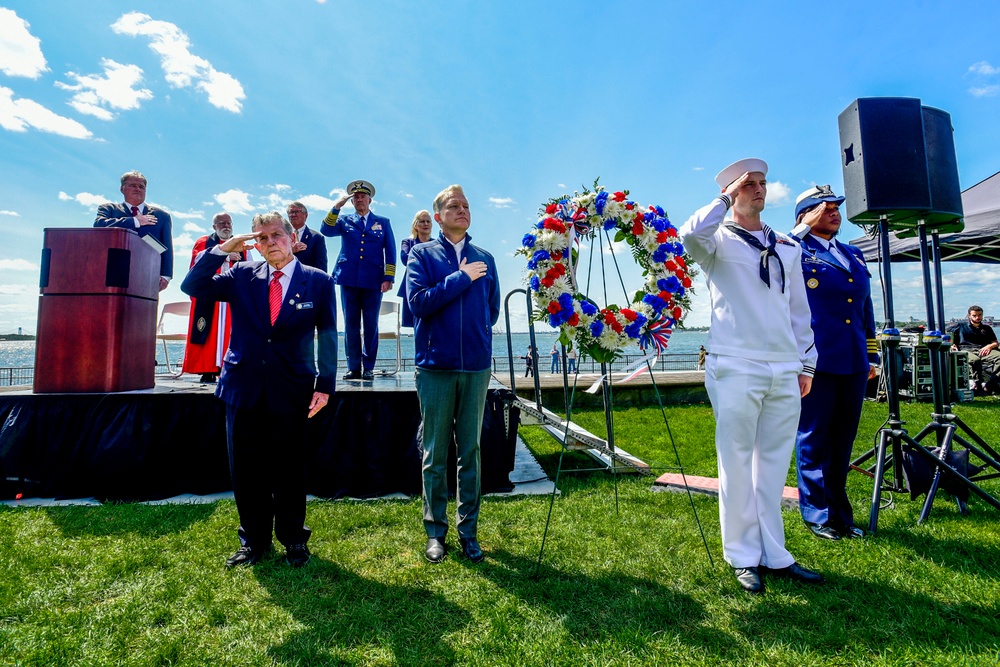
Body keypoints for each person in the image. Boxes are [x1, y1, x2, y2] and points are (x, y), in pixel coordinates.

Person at [678, 158, 822, 594]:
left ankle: (775, 554)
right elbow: (689, 234)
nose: (759, 189)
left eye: (761, 183)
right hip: (736, 362)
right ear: (733, 192)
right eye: (749, 184)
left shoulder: (788, 246)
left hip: (783, 366)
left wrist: (806, 361)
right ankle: (742, 556)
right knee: (736, 463)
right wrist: (724, 197)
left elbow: (799, 310)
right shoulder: (716, 241)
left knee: (774, 466)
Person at [181, 211, 337, 569]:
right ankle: (253, 541)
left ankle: (294, 540)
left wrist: (325, 386)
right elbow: (193, 287)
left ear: (290, 236)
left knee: (289, 469)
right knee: (247, 470)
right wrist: (222, 250)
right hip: (242, 386)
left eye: (276, 235)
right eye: (262, 238)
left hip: (292, 387)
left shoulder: (318, 281)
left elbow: (328, 335)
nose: (271, 243)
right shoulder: (240, 276)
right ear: (254, 242)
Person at [406, 184, 500, 564]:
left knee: (471, 452)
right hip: (436, 368)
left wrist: (475, 339)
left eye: (466, 205)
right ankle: (435, 532)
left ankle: (469, 531)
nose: (462, 210)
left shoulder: (486, 258)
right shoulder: (422, 255)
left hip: (476, 368)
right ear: (438, 215)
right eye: (453, 206)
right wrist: (460, 278)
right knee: (434, 452)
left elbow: (490, 312)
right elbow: (417, 304)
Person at [790, 185, 879, 542]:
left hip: (854, 360)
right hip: (816, 361)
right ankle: (817, 514)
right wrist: (800, 230)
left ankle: (841, 515)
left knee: (842, 440)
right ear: (804, 216)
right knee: (813, 437)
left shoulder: (853, 254)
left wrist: (871, 354)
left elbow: (864, 308)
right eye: (824, 208)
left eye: (836, 208)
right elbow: (770, 251)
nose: (834, 213)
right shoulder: (794, 249)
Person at [321, 180, 396, 381]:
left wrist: (389, 277)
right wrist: (336, 207)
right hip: (348, 279)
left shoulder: (383, 222)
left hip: (373, 281)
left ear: (370, 199)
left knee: (371, 326)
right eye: (355, 197)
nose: (359, 199)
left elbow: (390, 251)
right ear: (351, 201)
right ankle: (354, 367)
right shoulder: (344, 220)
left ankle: (369, 366)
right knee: (351, 326)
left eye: (363, 196)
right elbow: (326, 231)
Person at [182, 212, 247, 383]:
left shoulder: (241, 243)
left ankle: (228, 367)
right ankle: (207, 369)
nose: (226, 226)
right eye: (222, 223)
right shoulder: (203, 242)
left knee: (232, 332)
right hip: (209, 295)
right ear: (214, 227)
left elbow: (248, 266)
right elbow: (197, 262)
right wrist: (225, 255)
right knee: (208, 331)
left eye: (228, 223)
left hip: (230, 296)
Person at [94, 170, 173, 291]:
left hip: (148, 273)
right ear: (122, 188)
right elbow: (99, 225)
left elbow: (167, 247)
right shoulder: (109, 209)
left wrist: (166, 275)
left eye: (141, 186)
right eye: (133, 185)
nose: (138, 189)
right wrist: (135, 221)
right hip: (113, 272)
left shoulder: (162, 216)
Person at [949, 305, 1000, 394]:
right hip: (966, 350)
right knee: (975, 360)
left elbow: (995, 342)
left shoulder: (986, 328)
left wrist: (989, 346)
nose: (977, 317)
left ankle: (991, 384)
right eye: (974, 315)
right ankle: (978, 385)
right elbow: (945, 333)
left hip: (983, 350)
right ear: (969, 315)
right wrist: (952, 344)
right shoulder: (960, 326)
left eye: (980, 315)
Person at [397, 210, 434, 327]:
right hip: (413, 288)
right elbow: (405, 259)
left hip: (433, 288)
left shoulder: (436, 244)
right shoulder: (407, 242)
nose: (426, 224)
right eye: (422, 221)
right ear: (416, 225)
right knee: (416, 326)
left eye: (428, 221)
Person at [288, 202, 328, 272]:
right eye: (291, 212)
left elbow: (321, 267)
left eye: (297, 212)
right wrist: (290, 250)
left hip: (307, 280)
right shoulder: (281, 236)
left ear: (306, 215)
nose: (293, 215)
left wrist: (321, 282)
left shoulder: (317, 238)